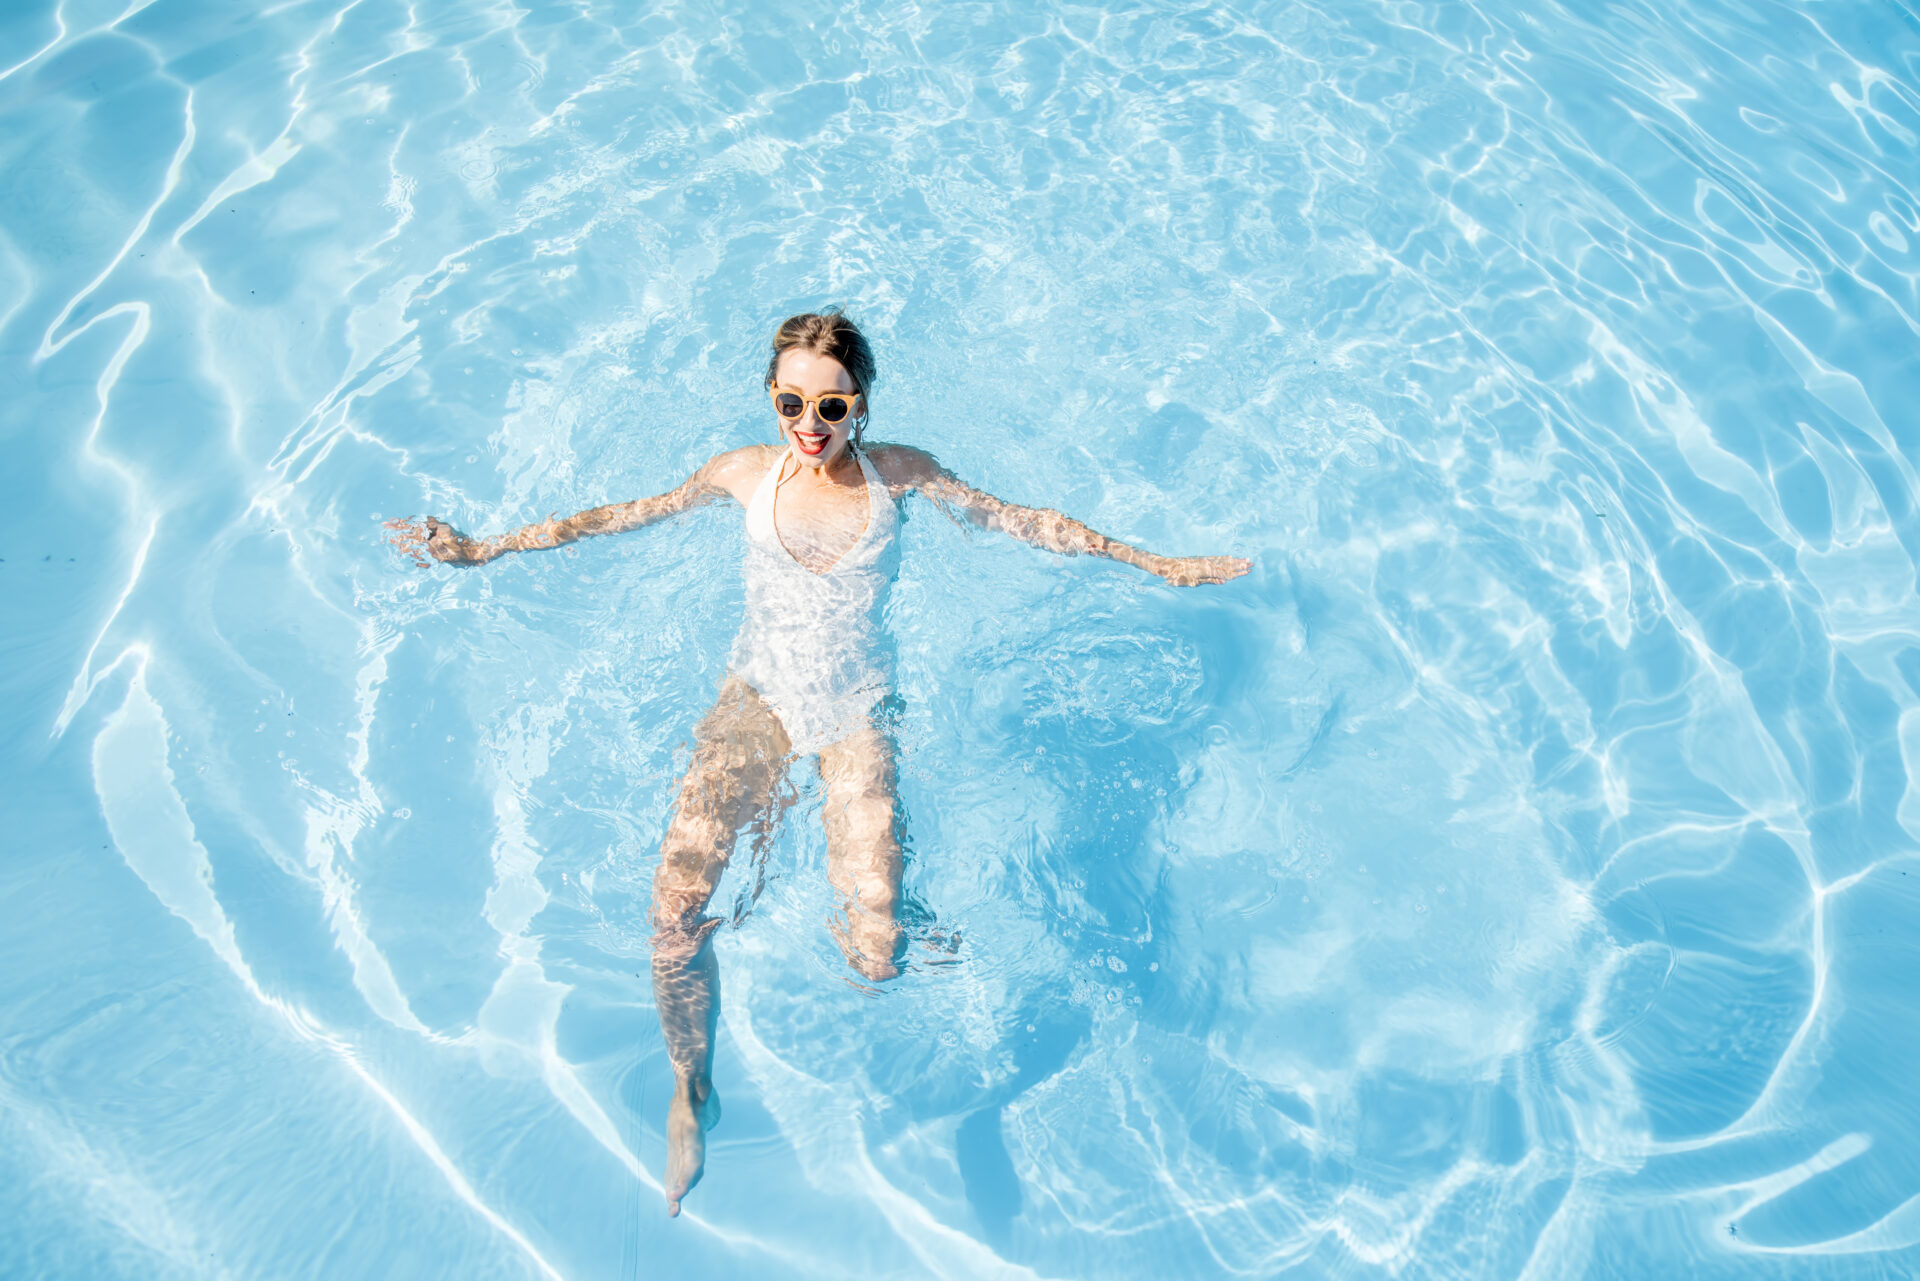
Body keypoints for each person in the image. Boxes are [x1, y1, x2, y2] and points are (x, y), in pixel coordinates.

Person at [386, 311, 1249, 1217]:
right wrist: (482, 549)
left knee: (877, 953)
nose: (809, 423)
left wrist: (1151, 562)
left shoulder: (899, 475)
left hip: (852, 718)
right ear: (771, 395)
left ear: (861, 405)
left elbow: (1020, 520)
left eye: (830, 404)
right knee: (673, 915)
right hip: (754, 703)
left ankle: (907, 921)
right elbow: (617, 517)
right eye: (789, 400)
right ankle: (693, 1084)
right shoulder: (742, 474)